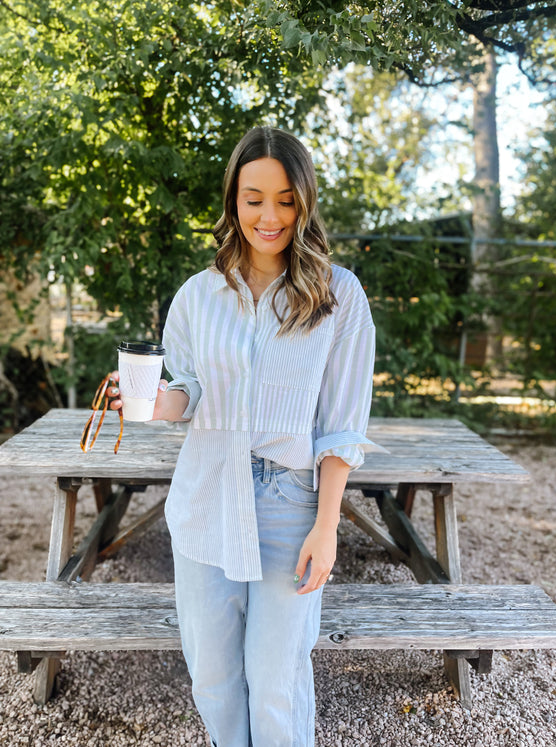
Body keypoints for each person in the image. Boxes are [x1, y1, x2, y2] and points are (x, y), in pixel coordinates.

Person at [110, 126, 380, 746]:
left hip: (291, 505)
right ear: (233, 199)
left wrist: (327, 526)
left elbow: (342, 425)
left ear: (305, 203)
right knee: (212, 677)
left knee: (275, 678)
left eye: (286, 199)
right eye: (254, 197)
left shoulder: (340, 296)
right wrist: (151, 405)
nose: (270, 215)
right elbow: (190, 393)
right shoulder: (198, 297)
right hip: (206, 494)